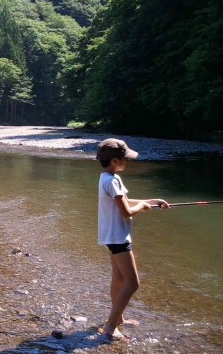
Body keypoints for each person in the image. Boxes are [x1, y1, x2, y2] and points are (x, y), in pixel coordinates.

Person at [96, 138, 169, 341]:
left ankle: (118, 318)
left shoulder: (109, 178)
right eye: (125, 159)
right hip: (118, 238)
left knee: (118, 279)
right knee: (133, 283)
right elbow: (127, 212)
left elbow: (125, 202)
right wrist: (142, 207)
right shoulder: (111, 181)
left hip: (112, 236)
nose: (127, 161)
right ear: (114, 160)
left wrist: (152, 201)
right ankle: (110, 327)